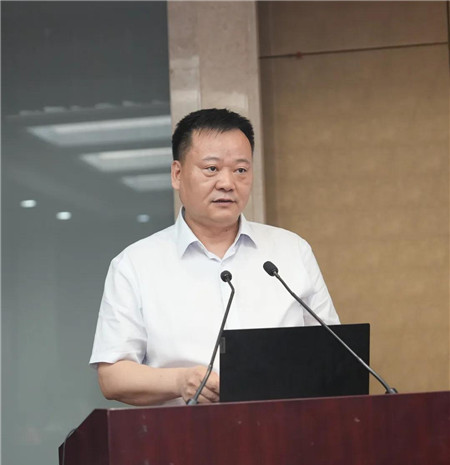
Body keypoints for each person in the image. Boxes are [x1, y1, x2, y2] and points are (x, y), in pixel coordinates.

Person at [90, 108, 339, 406]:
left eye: (241, 170)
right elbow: (113, 376)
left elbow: (335, 354)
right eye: (211, 169)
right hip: (183, 432)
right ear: (177, 174)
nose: (227, 183)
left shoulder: (292, 251)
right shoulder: (134, 264)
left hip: (284, 428)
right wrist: (180, 380)